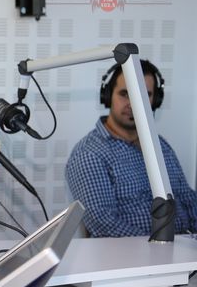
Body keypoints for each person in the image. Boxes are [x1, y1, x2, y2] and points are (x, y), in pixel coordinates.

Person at [65, 59, 197, 237]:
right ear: (108, 95)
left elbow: (187, 197)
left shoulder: (160, 145)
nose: (134, 103)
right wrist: (158, 248)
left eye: (144, 95)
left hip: (183, 245)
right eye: (125, 94)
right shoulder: (89, 153)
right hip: (138, 251)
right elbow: (103, 223)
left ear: (155, 101)